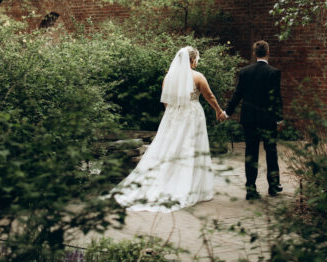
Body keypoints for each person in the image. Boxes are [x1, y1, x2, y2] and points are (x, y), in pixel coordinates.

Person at [113, 46, 227, 212]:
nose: (197, 62)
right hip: (192, 116)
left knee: (169, 147)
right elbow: (210, 96)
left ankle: (165, 179)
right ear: (192, 60)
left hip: (172, 116)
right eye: (196, 59)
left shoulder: (169, 78)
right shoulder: (198, 77)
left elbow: (165, 101)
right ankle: (190, 185)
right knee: (190, 147)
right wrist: (218, 111)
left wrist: (173, 115)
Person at [225, 40, 283, 200]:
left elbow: (237, 95)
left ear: (254, 54)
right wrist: (279, 119)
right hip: (268, 119)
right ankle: (273, 186)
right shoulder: (274, 72)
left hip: (249, 119)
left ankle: (251, 189)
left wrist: (227, 112)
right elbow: (276, 98)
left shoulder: (244, 72)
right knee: (271, 151)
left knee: (251, 152)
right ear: (268, 52)